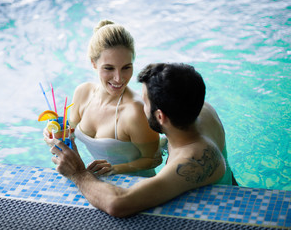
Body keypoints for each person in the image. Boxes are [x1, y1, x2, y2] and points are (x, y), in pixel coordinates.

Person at [49, 63, 237, 218]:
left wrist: (78, 173)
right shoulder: (197, 108)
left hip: (218, 217)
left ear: (161, 117)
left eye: (144, 103)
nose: (140, 106)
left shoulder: (192, 159)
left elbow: (118, 204)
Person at [44, 20, 162, 177]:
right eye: (109, 68)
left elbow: (154, 159)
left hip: (136, 185)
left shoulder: (136, 112)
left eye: (126, 67)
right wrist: (55, 135)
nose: (119, 78)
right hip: (98, 181)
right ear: (94, 63)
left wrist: (115, 169)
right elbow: (69, 134)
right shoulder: (83, 93)